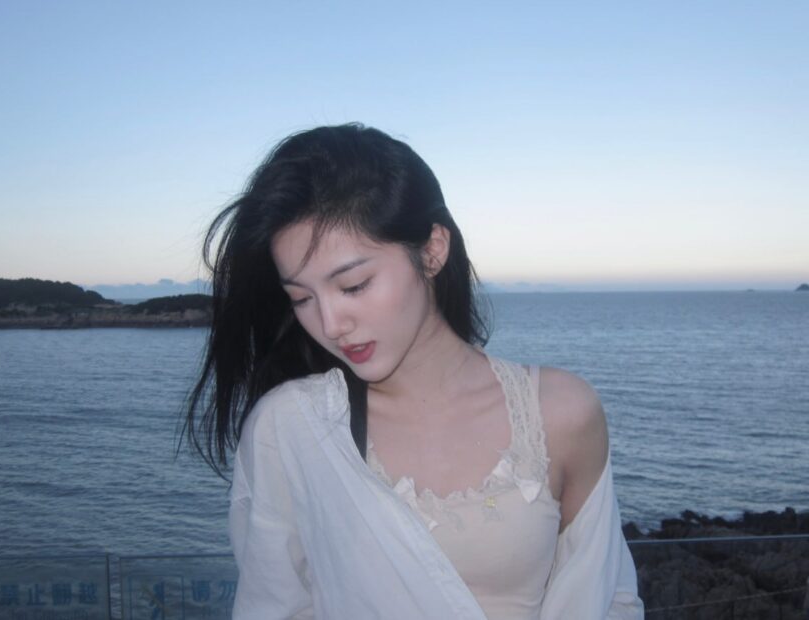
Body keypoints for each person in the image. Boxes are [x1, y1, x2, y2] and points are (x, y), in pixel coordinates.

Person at [183, 123, 643, 619]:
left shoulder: (560, 413)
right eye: (301, 298)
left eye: (354, 285)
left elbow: (607, 598)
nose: (331, 324)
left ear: (432, 250)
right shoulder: (290, 427)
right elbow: (274, 608)